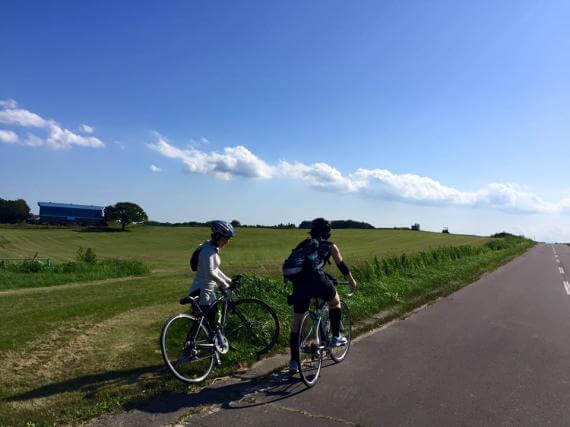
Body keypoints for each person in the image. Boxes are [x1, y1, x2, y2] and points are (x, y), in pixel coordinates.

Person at [288, 218, 357, 373]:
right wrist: (352, 282)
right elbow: (342, 266)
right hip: (318, 281)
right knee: (335, 302)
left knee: (297, 321)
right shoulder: (329, 246)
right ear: (328, 232)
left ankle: (293, 361)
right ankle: (336, 337)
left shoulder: (304, 244)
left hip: (299, 283)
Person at [188, 220, 235, 328]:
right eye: (226, 238)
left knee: (208, 324)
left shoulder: (211, 249)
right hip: (201, 293)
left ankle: (213, 342)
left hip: (207, 292)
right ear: (217, 236)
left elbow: (215, 270)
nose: (227, 242)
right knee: (204, 325)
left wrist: (228, 280)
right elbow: (210, 272)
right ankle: (192, 344)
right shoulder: (207, 251)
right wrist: (224, 284)